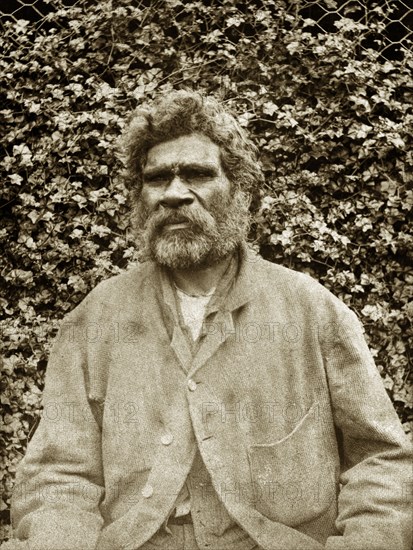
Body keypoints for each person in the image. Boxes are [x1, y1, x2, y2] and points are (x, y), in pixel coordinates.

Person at [8, 90, 412, 550]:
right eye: (157, 179)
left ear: (242, 193)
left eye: (197, 174)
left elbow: (381, 460)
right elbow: (59, 473)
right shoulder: (95, 318)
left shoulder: (312, 310)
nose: (174, 193)